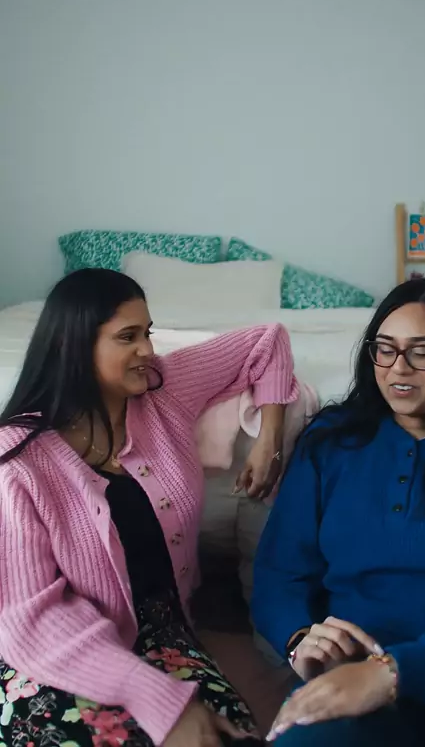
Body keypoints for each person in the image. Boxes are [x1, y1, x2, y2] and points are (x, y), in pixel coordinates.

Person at [0, 267, 298, 747]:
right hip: (57, 653)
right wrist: (154, 697)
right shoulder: (17, 460)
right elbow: (30, 618)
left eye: (148, 332)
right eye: (128, 337)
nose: (148, 350)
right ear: (72, 345)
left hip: (165, 633)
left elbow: (268, 340)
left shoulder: (163, 390)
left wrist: (270, 440)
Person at [252, 279, 425, 747]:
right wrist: (300, 642)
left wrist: (392, 672)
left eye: (421, 352)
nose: (399, 368)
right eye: (385, 349)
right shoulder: (331, 441)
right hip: (347, 681)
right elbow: (280, 572)